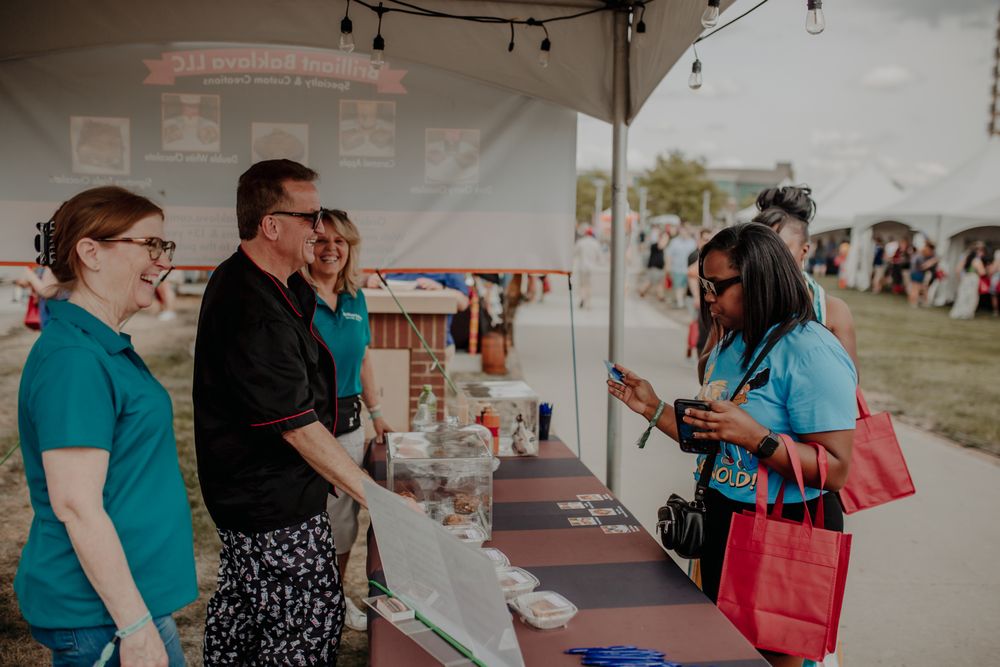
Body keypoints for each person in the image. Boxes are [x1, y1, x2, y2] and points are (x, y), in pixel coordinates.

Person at [608, 223, 856, 667]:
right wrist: (654, 407)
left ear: (758, 279)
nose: (707, 298)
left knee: (765, 659)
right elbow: (714, 435)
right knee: (721, 651)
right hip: (725, 518)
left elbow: (836, 469)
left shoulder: (811, 351)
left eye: (716, 286)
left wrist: (756, 437)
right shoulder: (730, 344)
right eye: (705, 285)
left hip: (785, 529)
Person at [194, 159, 385, 664]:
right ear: (271, 224)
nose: (320, 230)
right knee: (304, 627)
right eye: (310, 217)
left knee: (243, 619)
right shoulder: (249, 304)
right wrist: (377, 498)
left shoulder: (281, 284)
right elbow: (298, 427)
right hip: (267, 505)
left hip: (262, 497)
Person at [15, 186, 196, 665]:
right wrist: (135, 627)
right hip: (106, 618)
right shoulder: (75, 358)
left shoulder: (98, 344)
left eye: (164, 247)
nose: (162, 262)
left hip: (126, 604)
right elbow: (75, 504)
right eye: (149, 245)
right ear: (90, 252)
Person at [306, 209, 395, 632]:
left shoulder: (356, 296)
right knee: (307, 522)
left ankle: (331, 602)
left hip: (349, 425)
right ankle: (306, 602)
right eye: (321, 240)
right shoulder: (293, 295)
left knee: (343, 523)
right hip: (303, 426)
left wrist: (377, 414)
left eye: (340, 241)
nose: (331, 249)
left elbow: (363, 357)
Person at [700, 186, 859, 379]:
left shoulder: (831, 310)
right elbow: (705, 373)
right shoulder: (737, 303)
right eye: (760, 250)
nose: (768, 258)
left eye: (779, 248)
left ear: (804, 251)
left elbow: (849, 382)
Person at [950, 242, 988, 320]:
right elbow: (982, 272)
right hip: (973, 278)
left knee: (962, 295)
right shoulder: (977, 260)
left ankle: (958, 312)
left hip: (965, 278)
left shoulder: (965, 259)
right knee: (971, 296)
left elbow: (957, 270)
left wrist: (960, 279)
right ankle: (967, 313)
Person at [666, 226, 697, 308]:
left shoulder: (692, 242)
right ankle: (680, 302)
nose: (683, 233)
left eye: (685, 231)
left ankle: (681, 300)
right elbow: (669, 255)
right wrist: (668, 266)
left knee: (686, 286)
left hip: (689, 269)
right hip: (677, 268)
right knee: (678, 286)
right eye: (682, 231)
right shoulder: (674, 242)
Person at [572, 226, 602, 309]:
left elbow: (575, 253)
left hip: (582, 267)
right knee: (589, 285)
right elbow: (599, 257)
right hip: (592, 268)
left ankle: (582, 298)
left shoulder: (580, 242)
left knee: (582, 285)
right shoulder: (595, 243)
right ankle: (588, 302)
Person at [638, 227, 667, 299]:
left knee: (658, 283)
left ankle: (661, 296)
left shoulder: (657, 245)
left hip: (659, 267)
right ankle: (642, 290)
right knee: (650, 281)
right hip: (655, 267)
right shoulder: (655, 244)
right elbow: (660, 246)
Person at [907, 242, 938, 307]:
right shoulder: (920, 256)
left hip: (914, 272)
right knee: (916, 289)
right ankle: (914, 303)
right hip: (918, 273)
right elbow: (922, 266)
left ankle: (912, 302)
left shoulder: (918, 254)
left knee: (914, 288)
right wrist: (931, 262)